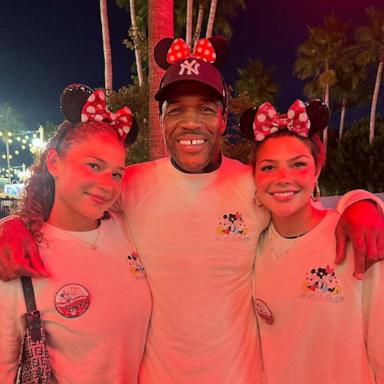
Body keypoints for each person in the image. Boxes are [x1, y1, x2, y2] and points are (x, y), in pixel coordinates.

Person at [0, 37, 383, 383]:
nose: (190, 123)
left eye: (203, 109)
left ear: (222, 119)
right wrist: (14, 224)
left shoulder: (252, 184)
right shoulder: (130, 183)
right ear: (162, 120)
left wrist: (362, 202)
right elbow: (73, 207)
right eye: (176, 110)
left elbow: (304, 207)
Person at [0, 84, 151, 383]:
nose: (107, 185)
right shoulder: (20, 259)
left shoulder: (126, 227)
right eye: (93, 165)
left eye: (116, 173)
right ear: (54, 163)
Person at [240, 99, 383, 383]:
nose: (283, 178)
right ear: (253, 175)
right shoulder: (250, 249)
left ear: (317, 169)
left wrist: (363, 202)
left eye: (298, 165)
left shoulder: (356, 238)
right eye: (268, 167)